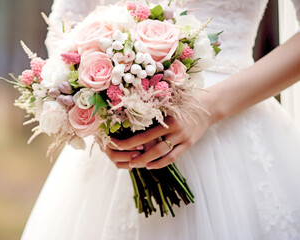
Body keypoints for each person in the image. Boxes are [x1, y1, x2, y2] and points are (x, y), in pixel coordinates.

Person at [21, 0, 300, 239]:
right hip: (114, 145)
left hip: (237, 131)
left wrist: (210, 107)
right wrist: (102, 116)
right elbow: (63, 27)